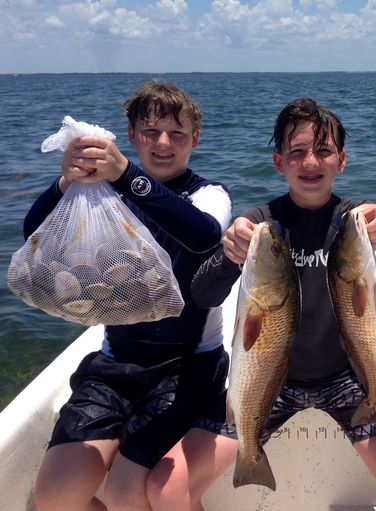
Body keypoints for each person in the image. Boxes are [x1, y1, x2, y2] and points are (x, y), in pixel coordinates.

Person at [146, 97, 376, 511]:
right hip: (266, 384)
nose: (310, 162)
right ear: (279, 162)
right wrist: (228, 254)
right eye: (296, 152)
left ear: (342, 161)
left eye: (323, 150)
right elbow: (203, 295)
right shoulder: (262, 227)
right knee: (165, 488)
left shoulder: (356, 222)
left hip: (347, 379)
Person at [32, 80, 233, 511]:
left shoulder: (209, 194)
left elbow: (203, 235)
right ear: (132, 135)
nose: (163, 143)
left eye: (177, 134)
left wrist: (126, 175)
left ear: (195, 139)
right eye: (150, 132)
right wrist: (66, 182)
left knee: (127, 491)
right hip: (115, 363)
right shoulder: (102, 194)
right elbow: (35, 234)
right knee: (54, 496)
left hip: (188, 366)